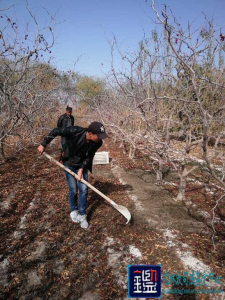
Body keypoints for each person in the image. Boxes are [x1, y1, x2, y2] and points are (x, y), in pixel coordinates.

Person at [37, 122, 108, 229]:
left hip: (82, 164)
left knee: (83, 189)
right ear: (90, 133)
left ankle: (82, 214)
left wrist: (81, 169)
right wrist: (43, 143)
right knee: (73, 188)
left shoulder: (98, 143)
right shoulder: (75, 131)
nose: (100, 139)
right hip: (69, 163)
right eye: (98, 136)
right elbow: (56, 131)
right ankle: (73, 210)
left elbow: (90, 157)